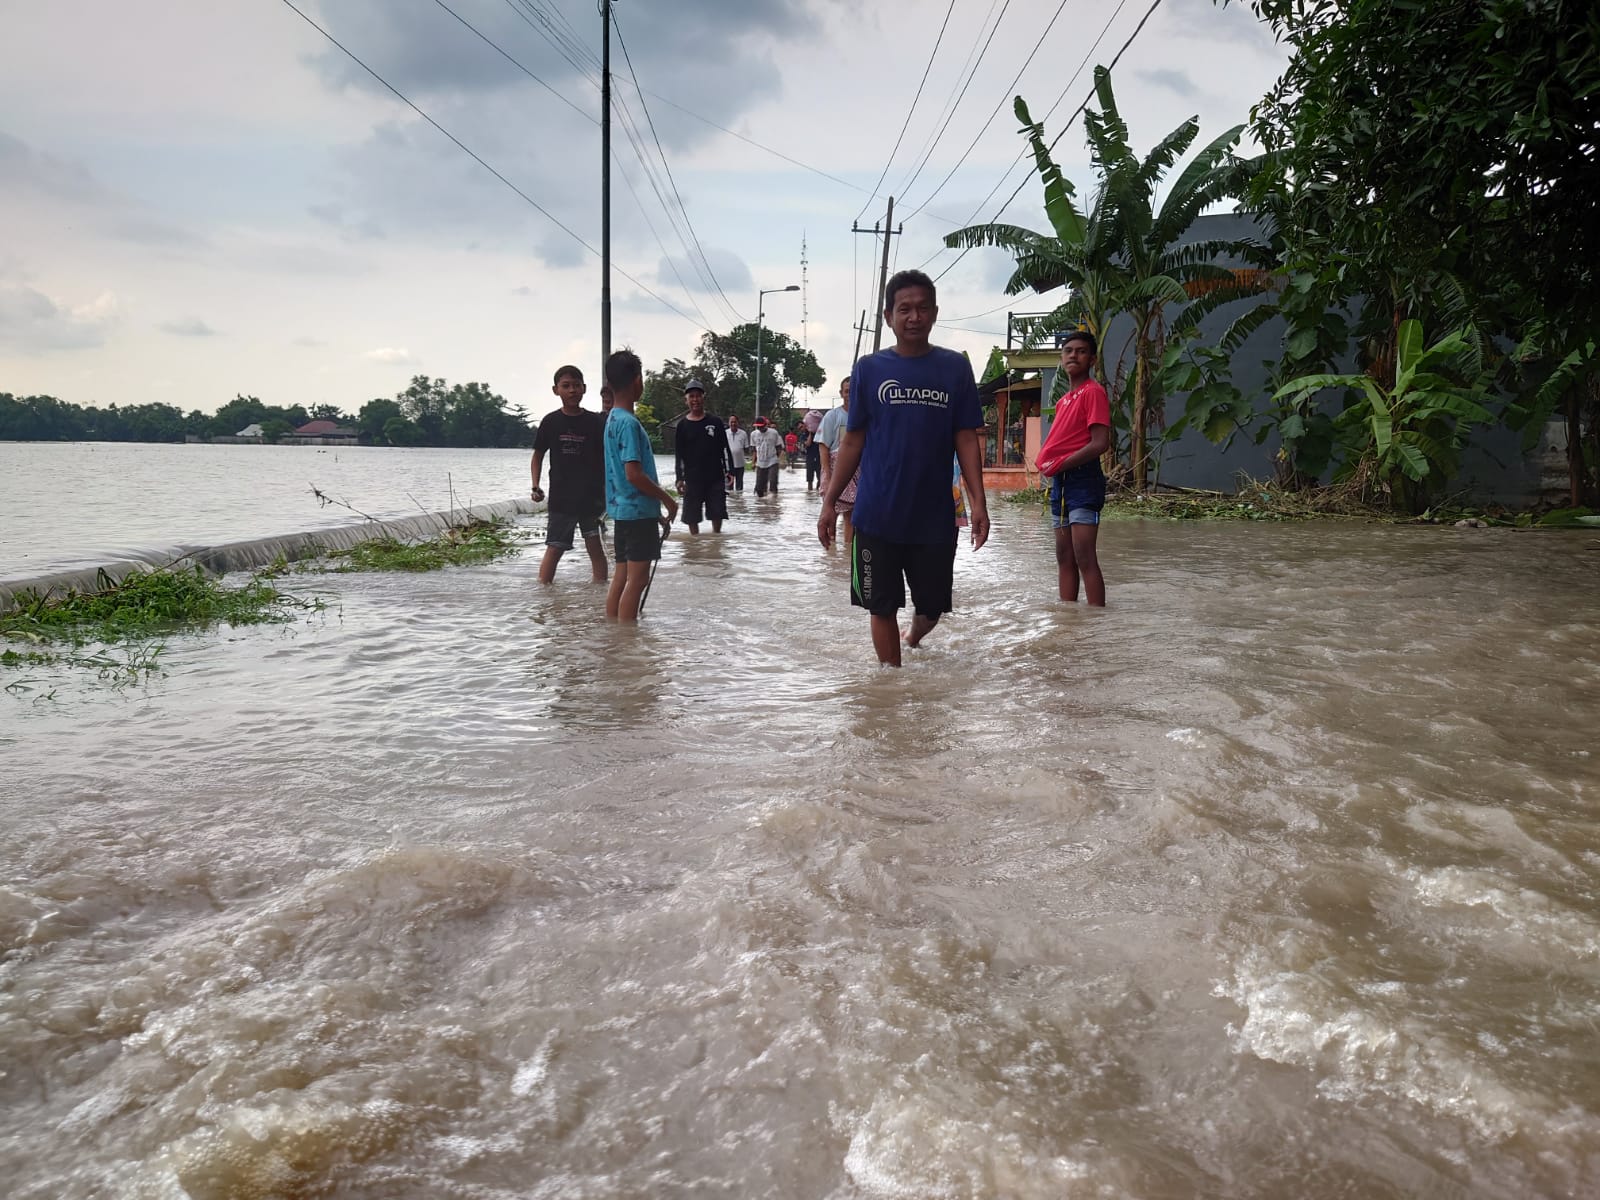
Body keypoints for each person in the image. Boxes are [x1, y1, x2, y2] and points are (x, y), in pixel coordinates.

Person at [818, 269, 990, 667]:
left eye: (922, 308)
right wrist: (829, 503)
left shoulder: (954, 369)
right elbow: (854, 440)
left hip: (934, 515)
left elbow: (966, 437)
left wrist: (979, 503)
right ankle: (891, 688)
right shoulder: (869, 370)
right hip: (877, 514)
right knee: (881, 606)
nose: (914, 317)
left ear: (934, 313)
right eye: (905, 309)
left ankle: (912, 636)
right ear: (888, 317)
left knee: (932, 607)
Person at [1035, 330, 1111, 605]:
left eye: (1080, 351)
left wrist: (1060, 464)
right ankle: (1068, 622)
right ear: (1061, 358)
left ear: (1092, 360)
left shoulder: (1094, 392)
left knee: (1084, 556)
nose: (1073, 355)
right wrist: (1054, 466)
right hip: (1061, 483)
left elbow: (1100, 442)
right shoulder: (1063, 401)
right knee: (1064, 556)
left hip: (1084, 479)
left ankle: (1096, 627)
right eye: (1068, 351)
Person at [602, 349, 677, 621]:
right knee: (638, 581)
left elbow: (623, 478)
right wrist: (667, 500)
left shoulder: (611, 420)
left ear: (609, 385)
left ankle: (614, 636)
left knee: (621, 578)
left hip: (622, 512)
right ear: (637, 381)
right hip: (636, 516)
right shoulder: (629, 424)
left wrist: (654, 511)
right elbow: (633, 474)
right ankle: (626, 640)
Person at [529, 365, 607, 585]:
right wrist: (535, 485)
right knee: (555, 547)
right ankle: (543, 596)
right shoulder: (550, 422)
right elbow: (537, 456)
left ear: (584, 388)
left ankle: (600, 593)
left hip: (591, 497)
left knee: (595, 546)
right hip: (562, 498)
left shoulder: (596, 422)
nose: (572, 390)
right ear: (556, 390)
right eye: (566, 386)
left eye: (576, 385)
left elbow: (608, 458)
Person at [673, 379, 736, 534]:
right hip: (692, 478)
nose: (695, 400)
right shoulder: (682, 426)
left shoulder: (715, 422)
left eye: (698, 396)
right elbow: (679, 454)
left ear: (703, 398)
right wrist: (679, 478)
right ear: (686, 400)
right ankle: (695, 546)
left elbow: (725, 449)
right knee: (691, 516)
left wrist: (730, 471)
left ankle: (716, 542)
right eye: (692, 396)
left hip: (715, 477)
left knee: (717, 512)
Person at [816, 376, 853, 547]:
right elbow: (823, 446)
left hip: (856, 472)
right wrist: (827, 475)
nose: (850, 395)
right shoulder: (832, 416)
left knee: (851, 515)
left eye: (854, 391)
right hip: (834, 469)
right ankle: (830, 557)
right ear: (841, 393)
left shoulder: (865, 415)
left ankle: (846, 554)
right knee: (832, 511)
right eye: (847, 391)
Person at [751, 416, 784, 496]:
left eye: (761, 426)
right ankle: (761, 506)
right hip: (760, 463)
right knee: (759, 488)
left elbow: (779, 448)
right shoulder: (753, 434)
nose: (760, 428)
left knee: (773, 483)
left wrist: (778, 459)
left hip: (772, 462)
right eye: (758, 426)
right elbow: (754, 450)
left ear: (765, 425)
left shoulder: (774, 433)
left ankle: (773, 505)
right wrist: (753, 462)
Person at [725, 413, 750, 492]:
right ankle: (731, 503)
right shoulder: (725, 433)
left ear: (738, 423)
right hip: (728, 465)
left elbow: (746, 448)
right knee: (729, 487)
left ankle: (739, 503)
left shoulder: (743, 434)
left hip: (740, 464)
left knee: (739, 488)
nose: (733, 424)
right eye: (731, 422)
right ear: (729, 423)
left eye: (735, 422)